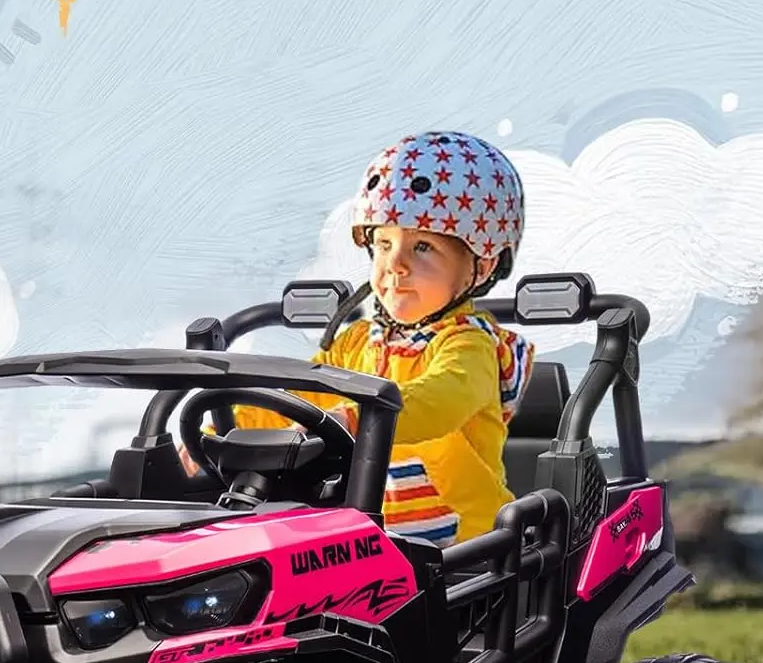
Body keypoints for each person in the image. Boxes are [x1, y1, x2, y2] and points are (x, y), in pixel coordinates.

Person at [215, 131, 535, 545]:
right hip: (369, 540)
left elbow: (441, 400)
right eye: (384, 244)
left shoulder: (470, 345)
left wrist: (359, 415)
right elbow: (300, 398)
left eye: (423, 247)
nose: (395, 264)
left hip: (464, 551)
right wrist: (227, 428)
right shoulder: (358, 343)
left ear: (482, 264)